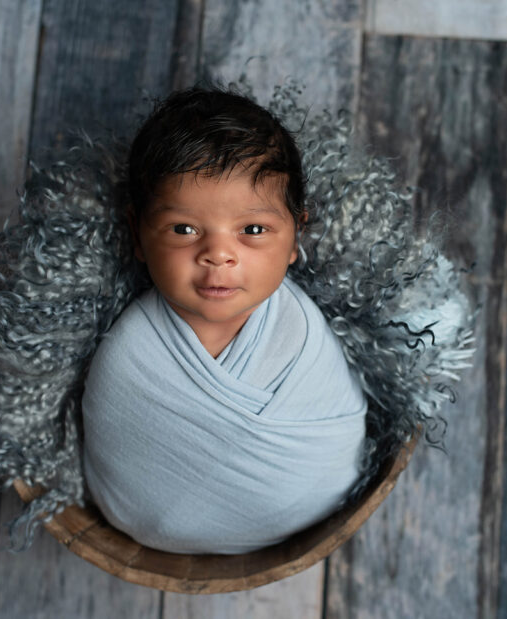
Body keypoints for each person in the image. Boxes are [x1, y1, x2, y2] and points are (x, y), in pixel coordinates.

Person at [81, 85, 368, 554]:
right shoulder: (127, 354)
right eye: (184, 229)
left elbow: (338, 434)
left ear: (296, 235)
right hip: (136, 527)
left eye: (253, 230)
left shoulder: (304, 338)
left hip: (315, 515)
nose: (218, 254)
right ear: (138, 235)